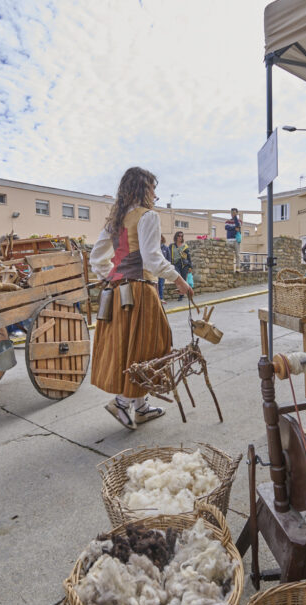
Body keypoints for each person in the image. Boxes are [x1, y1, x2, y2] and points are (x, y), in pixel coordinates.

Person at [89, 167, 191, 429]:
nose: (155, 194)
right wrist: (178, 279)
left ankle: (141, 407)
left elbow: (96, 259)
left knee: (128, 347)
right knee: (150, 346)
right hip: (138, 290)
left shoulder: (116, 219)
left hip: (116, 291)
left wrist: (113, 276)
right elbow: (152, 259)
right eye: (153, 188)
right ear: (143, 188)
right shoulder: (148, 216)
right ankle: (122, 403)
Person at [170, 231, 191, 301]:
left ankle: (181, 295)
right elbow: (168, 255)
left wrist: (190, 266)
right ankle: (181, 292)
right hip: (175, 264)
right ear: (176, 236)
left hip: (184, 265)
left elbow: (188, 257)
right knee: (178, 277)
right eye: (179, 236)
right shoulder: (172, 246)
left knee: (183, 279)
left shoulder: (185, 246)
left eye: (181, 236)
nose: (180, 237)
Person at [158, 235, 172, 302]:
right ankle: (156, 298)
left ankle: (160, 298)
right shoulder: (154, 247)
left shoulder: (166, 248)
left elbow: (169, 259)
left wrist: (168, 269)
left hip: (163, 269)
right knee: (155, 284)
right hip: (155, 269)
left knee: (161, 283)